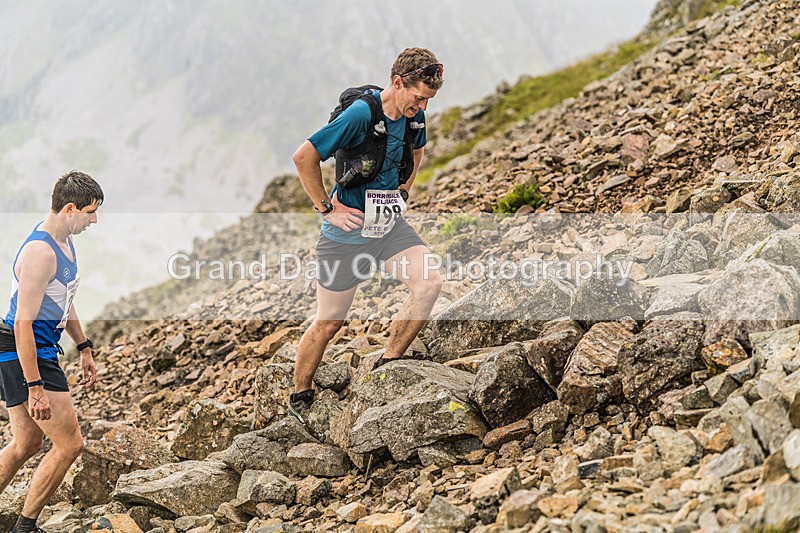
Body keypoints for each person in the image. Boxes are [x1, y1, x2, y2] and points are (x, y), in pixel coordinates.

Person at [288, 47, 445, 423]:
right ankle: (300, 394)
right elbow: (303, 157)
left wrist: (403, 190)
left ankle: (388, 363)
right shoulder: (361, 114)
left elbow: (418, 154)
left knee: (430, 284)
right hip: (345, 236)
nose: (422, 106)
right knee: (330, 322)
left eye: (429, 100)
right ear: (397, 82)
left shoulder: (415, 119)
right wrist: (328, 207)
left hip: (388, 227)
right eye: (419, 97)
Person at [0, 171, 102, 533]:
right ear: (70, 208)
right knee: (70, 444)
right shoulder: (41, 253)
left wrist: (84, 346)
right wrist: (35, 387)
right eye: (90, 212)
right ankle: (24, 529)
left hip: (28, 349)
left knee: (26, 443)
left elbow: (63, 300)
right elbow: (22, 324)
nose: (94, 220)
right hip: (27, 351)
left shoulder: (64, 242)